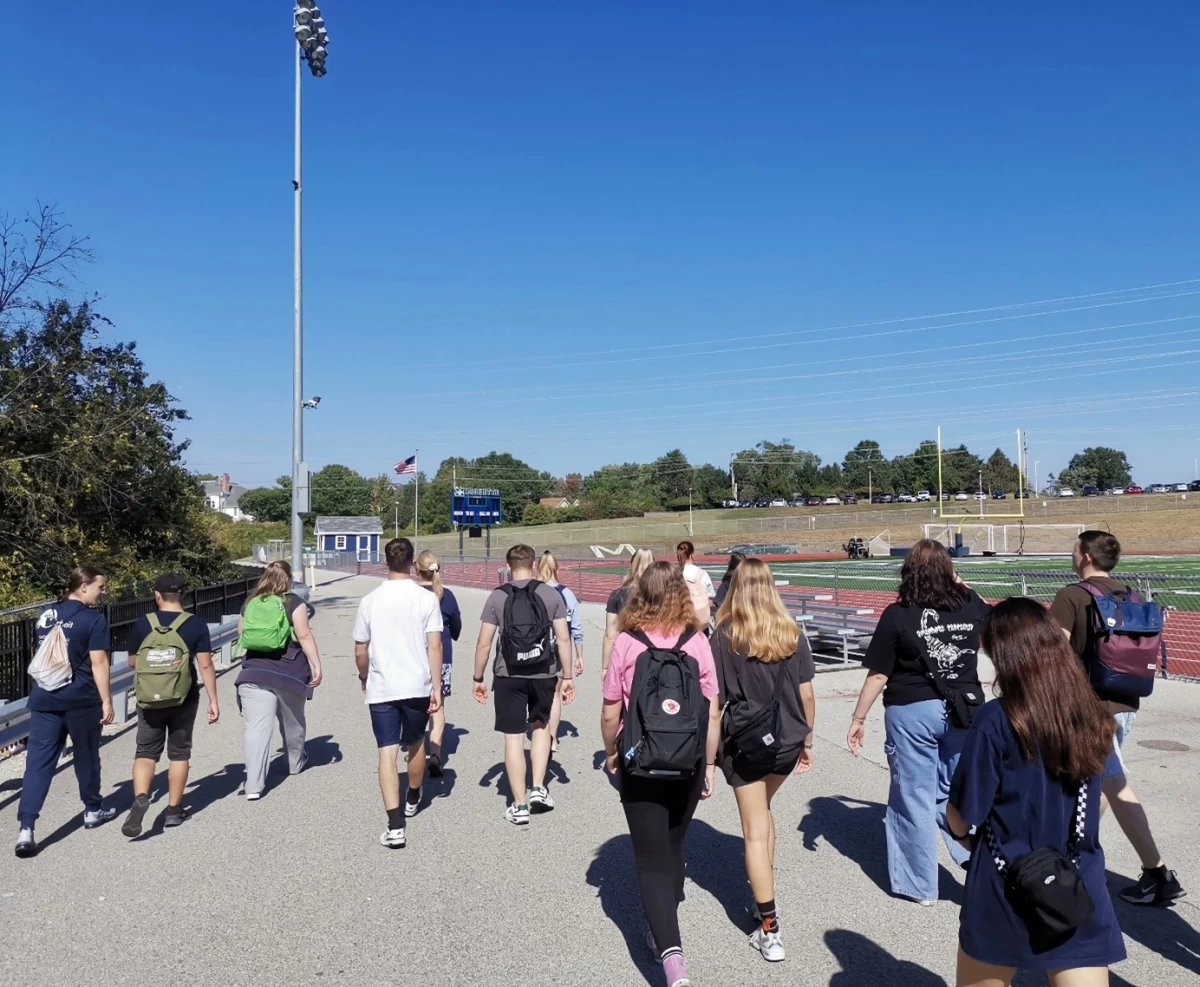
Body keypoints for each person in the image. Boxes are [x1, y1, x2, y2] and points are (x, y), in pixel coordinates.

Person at [948, 598, 1125, 986]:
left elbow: (962, 813)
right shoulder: (1092, 713)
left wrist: (961, 838)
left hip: (1004, 877)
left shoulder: (997, 719)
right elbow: (1104, 795)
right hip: (1076, 877)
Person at [846, 539, 987, 904]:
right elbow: (990, 625)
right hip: (964, 709)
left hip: (911, 709)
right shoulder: (971, 604)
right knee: (958, 790)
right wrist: (962, 585)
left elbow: (879, 674)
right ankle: (978, 858)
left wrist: (858, 718)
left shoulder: (898, 614)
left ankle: (920, 884)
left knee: (914, 795)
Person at [1048, 530, 1185, 906]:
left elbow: (1050, 653)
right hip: (1125, 703)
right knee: (1104, 783)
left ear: (1086, 556)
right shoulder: (1130, 595)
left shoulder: (1072, 596)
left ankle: (1157, 873)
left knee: (1114, 785)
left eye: (1075, 549)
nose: (1072, 555)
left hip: (1087, 708)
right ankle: (1073, 849)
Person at [601, 561, 720, 987]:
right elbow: (711, 709)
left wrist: (612, 750)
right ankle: (664, 919)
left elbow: (611, 707)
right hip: (687, 758)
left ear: (640, 594)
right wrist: (708, 764)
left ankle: (672, 959)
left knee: (650, 858)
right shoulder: (698, 640)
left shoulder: (627, 643)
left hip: (641, 758)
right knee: (673, 844)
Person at [712, 558, 816, 963]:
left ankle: (770, 927)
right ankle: (761, 897)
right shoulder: (790, 630)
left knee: (754, 828)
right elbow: (807, 695)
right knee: (765, 813)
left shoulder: (723, 635)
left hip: (746, 743)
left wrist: (707, 759)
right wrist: (807, 739)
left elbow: (714, 701)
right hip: (787, 739)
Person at [16, 565, 116, 857]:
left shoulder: (46, 614)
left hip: (44, 699)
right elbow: (99, 663)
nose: (103, 591)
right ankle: (93, 809)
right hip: (81, 700)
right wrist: (107, 700)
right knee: (86, 757)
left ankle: (26, 827)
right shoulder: (93, 619)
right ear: (84, 586)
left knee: (38, 764)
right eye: (100, 586)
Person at [472, 544, 574, 824]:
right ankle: (539, 788)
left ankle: (518, 806)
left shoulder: (497, 597)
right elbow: (563, 639)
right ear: (534, 565)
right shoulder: (550, 594)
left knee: (513, 737)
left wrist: (478, 677)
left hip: (508, 674)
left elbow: (484, 642)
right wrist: (567, 677)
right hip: (543, 672)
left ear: (507, 566)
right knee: (541, 728)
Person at [354, 538, 443, 849]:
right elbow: (435, 646)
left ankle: (395, 827)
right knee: (416, 743)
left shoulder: (370, 601)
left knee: (386, 753)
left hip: (382, 686)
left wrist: (364, 676)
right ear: (412, 562)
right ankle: (414, 794)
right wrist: (436, 686)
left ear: (385, 561)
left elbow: (360, 648)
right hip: (416, 684)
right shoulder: (426, 599)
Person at [120, 574, 219, 837]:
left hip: (149, 698)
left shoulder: (143, 624)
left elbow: (132, 662)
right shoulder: (195, 624)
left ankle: (141, 797)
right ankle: (174, 810)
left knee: (146, 752)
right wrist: (213, 700)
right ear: (183, 596)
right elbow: (206, 664)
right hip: (183, 696)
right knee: (179, 753)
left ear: (157, 595)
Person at [235, 561, 323, 801]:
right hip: (289, 672)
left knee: (257, 728)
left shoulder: (250, 603)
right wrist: (316, 665)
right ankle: (295, 762)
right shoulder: (293, 602)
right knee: (293, 722)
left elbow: (241, 634)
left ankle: (253, 785)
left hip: (253, 673)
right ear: (289, 580)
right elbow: (304, 634)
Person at [415, 550, 461, 778]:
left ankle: (415, 749)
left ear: (417, 568)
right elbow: (456, 627)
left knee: (413, 702)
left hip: (413, 656)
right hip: (441, 657)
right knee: (438, 706)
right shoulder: (446, 596)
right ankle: (435, 753)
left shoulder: (411, 594)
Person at [538, 551, 585, 755]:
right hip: (558, 646)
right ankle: (553, 737)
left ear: (537, 568)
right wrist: (579, 654)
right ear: (557, 568)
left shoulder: (534, 591)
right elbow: (576, 627)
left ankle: (541, 732)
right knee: (556, 692)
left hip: (536, 647)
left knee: (538, 691)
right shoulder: (566, 593)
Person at [602, 547, 655, 677]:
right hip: (656, 653)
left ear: (632, 565)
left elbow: (610, 635)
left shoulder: (617, 595)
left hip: (628, 654)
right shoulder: (660, 594)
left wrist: (605, 666)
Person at [677, 541, 715, 628]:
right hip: (700, 622)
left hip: (679, 619)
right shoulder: (702, 574)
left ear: (678, 556)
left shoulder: (673, 573)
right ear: (692, 555)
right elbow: (710, 600)